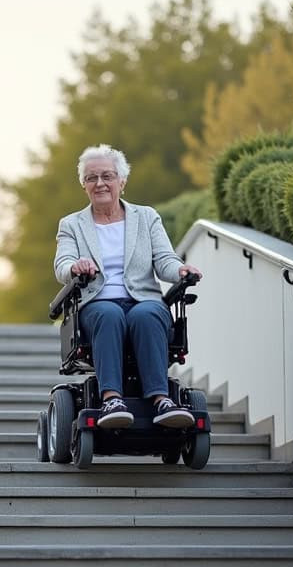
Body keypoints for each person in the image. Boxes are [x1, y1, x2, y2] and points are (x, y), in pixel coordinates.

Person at [54, 144, 202, 430]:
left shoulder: (146, 218)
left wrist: (180, 270)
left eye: (107, 176)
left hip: (142, 300)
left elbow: (165, 260)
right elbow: (62, 265)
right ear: (83, 184)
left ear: (122, 181)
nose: (100, 183)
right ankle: (111, 399)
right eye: (91, 178)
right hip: (97, 304)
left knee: (147, 314)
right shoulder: (71, 225)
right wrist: (75, 267)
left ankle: (162, 401)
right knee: (109, 314)